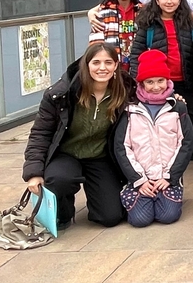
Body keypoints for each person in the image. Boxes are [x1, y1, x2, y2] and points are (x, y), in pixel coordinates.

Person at [23, 42, 130, 229]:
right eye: (96, 62)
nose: (102, 68)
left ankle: (99, 200)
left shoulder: (125, 91)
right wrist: (34, 173)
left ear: (115, 66)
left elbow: (152, 95)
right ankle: (63, 211)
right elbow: (40, 133)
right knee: (60, 180)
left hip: (100, 157)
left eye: (108, 62)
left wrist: (175, 100)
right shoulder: (61, 94)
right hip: (66, 154)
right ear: (86, 65)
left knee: (110, 217)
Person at [129, 0, 193, 172]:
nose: (169, 1)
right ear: (157, 0)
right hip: (158, 84)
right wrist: (138, 80)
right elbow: (136, 54)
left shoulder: (190, 23)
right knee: (163, 120)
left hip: (184, 80)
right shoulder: (147, 24)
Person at [113, 49, 193, 227]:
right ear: (141, 83)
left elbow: (186, 143)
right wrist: (138, 179)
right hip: (140, 176)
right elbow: (122, 146)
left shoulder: (177, 107)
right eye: (150, 82)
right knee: (140, 220)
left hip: (168, 176)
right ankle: (135, 191)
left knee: (168, 216)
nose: (156, 87)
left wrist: (170, 176)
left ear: (167, 80)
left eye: (160, 81)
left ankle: (167, 192)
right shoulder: (130, 110)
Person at [89, 0, 141, 71]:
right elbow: (96, 45)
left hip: (138, 68)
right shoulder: (103, 12)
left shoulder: (142, 12)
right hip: (111, 68)